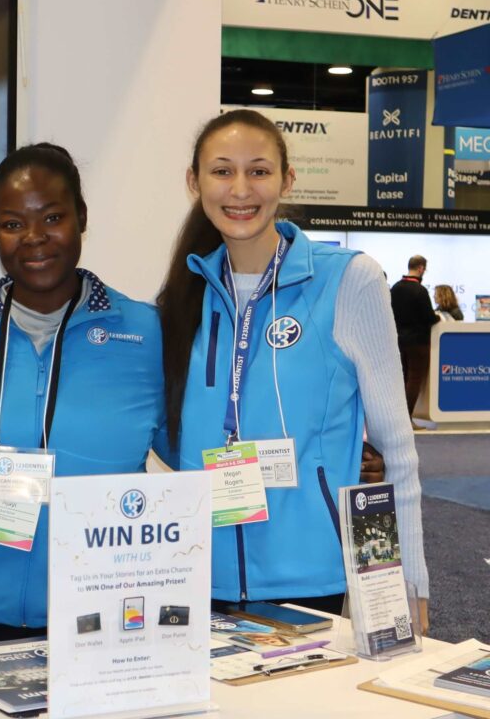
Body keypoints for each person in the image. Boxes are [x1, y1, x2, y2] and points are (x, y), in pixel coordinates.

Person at [156, 109, 428, 627]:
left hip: (312, 577)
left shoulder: (348, 281)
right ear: (195, 182)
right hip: (194, 575)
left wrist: (407, 580)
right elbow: (163, 430)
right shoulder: (181, 299)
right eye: (222, 171)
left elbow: (398, 450)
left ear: (287, 178)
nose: (240, 189)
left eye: (258, 171)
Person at [0, 143, 166, 646]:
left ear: (81, 217)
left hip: (105, 620)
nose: (33, 238)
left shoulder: (143, 333)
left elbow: (195, 446)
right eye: (12, 224)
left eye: (52, 216)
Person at [390, 255, 439, 420]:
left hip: (399, 340)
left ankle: (398, 418)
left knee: (403, 378)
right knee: (415, 379)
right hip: (418, 342)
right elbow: (429, 317)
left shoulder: (395, 288)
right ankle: (407, 418)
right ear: (421, 268)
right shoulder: (420, 290)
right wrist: (437, 318)